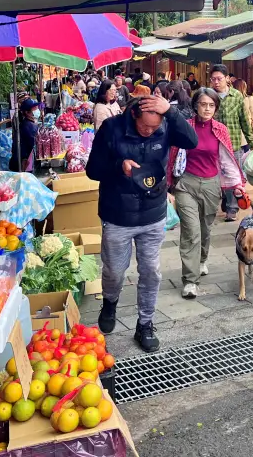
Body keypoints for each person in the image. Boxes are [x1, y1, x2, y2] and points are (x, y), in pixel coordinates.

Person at [86, 93, 198, 352]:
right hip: (117, 214)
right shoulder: (112, 128)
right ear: (133, 115)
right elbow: (93, 170)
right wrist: (118, 165)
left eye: (154, 127)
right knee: (114, 271)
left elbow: (191, 141)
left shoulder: (166, 124)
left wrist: (170, 113)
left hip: (153, 212)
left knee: (151, 271)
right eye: (144, 126)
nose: (150, 131)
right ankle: (110, 302)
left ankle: (145, 323)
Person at [167, 88, 245, 299]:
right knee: (191, 232)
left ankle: (202, 259)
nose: (207, 109)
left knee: (205, 229)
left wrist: (237, 184)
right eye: (203, 104)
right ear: (195, 106)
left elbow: (227, 159)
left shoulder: (220, 129)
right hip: (186, 184)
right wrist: (168, 185)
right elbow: (172, 156)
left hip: (212, 185)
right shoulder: (185, 128)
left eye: (211, 105)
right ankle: (190, 281)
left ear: (216, 108)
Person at [209, 65, 253, 222]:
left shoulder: (237, 96)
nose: (216, 82)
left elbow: (244, 121)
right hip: (213, 144)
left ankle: (232, 208)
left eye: (219, 79)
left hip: (233, 144)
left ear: (227, 79)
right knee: (215, 177)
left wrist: (252, 142)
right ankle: (224, 198)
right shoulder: (208, 96)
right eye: (213, 79)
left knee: (233, 177)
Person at [9, 98, 42, 172]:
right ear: (27, 112)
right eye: (34, 108)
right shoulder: (28, 126)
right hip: (23, 162)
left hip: (22, 160)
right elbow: (34, 143)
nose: (37, 110)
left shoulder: (28, 123)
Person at [234, 79, 253, 144]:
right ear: (244, 87)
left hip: (235, 136)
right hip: (248, 134)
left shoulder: (231, 101)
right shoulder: (249, 99)